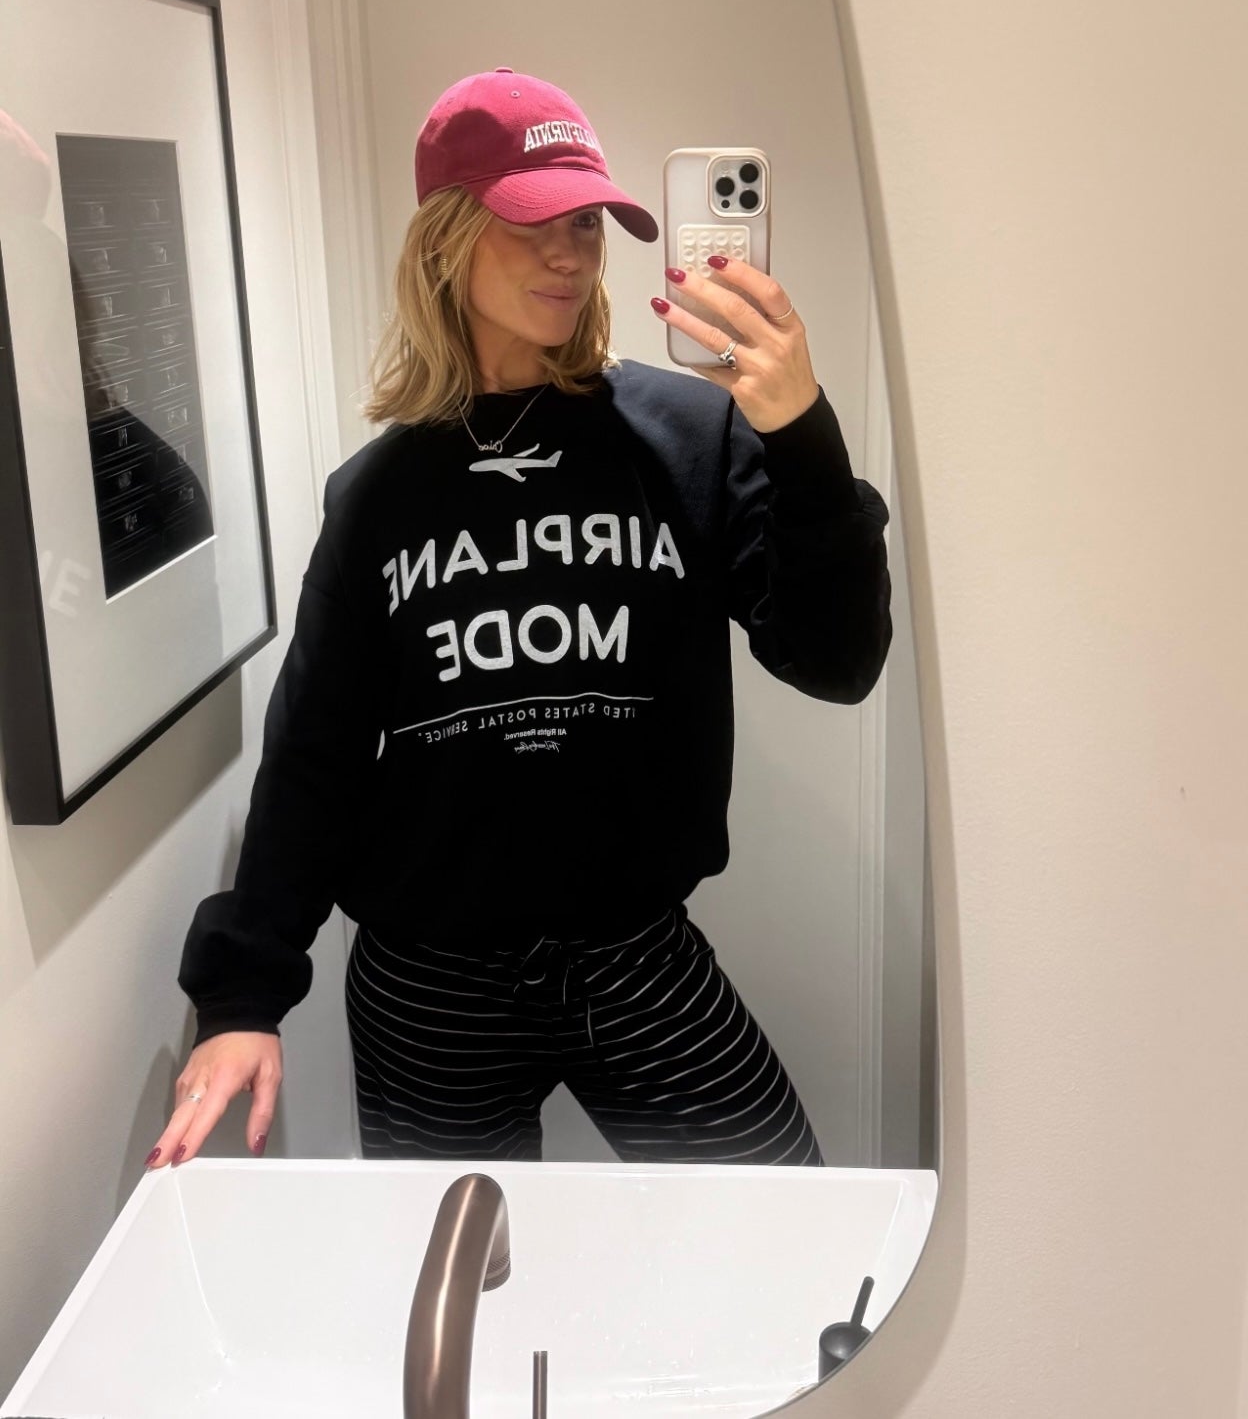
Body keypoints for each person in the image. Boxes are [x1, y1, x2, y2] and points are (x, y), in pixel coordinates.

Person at [149, 68, 893, 1171]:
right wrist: (241, 999)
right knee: (463, 1262)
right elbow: (315, 755)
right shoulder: (377, 496)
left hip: (637, 958)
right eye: (534, 221)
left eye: (586, 222)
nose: (571, 254)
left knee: (784, 1230)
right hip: (430, 985)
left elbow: (837, 661)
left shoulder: (690, 435)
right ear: (446, 241)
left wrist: (801, 435)